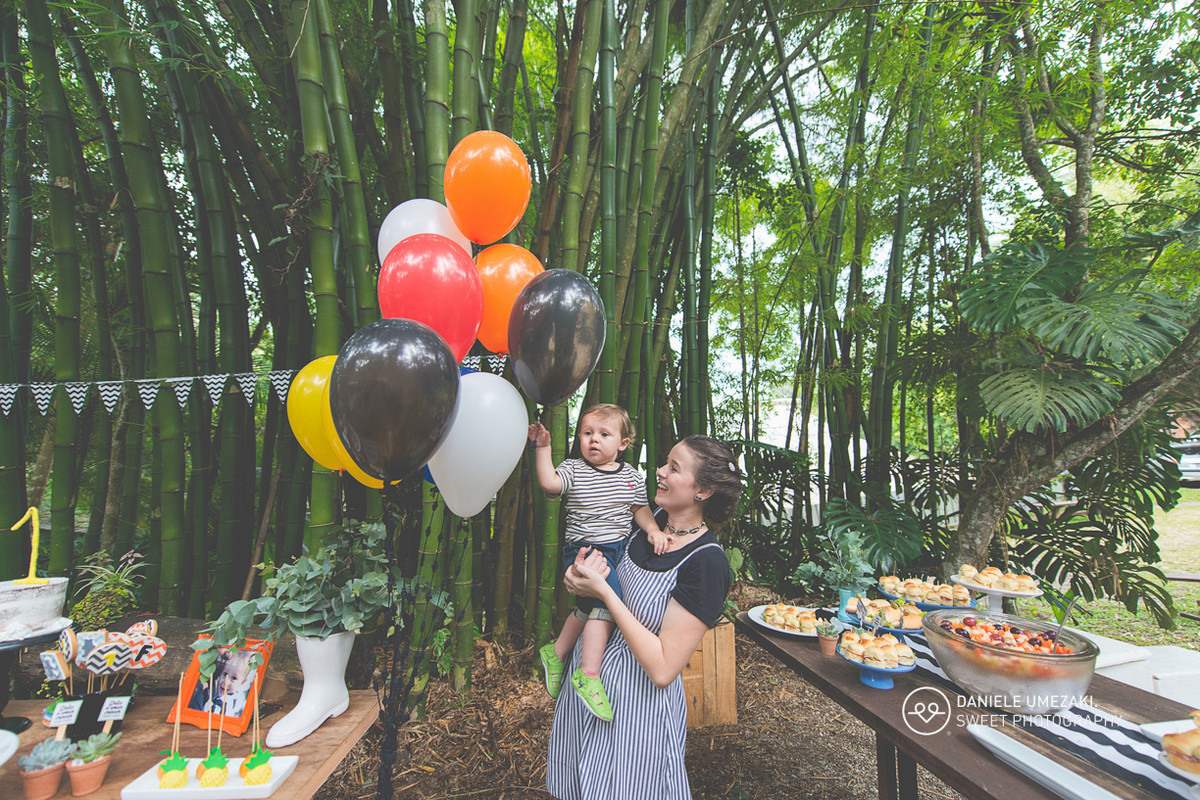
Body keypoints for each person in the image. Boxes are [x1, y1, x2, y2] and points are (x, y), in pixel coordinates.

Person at [546, 435, 742, 800]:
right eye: (665, 463)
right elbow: (601, 559)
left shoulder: (707, 563)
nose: (659, 471)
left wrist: (603, 593)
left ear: (702, 491)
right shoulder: (648, 520)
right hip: (590, 685)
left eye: (673, 468)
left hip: (636, 707)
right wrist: (578, 576)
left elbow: (663, 669)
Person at [529, 404, 669, 722]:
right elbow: (549, 483)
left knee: (587, 607)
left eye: (604, 434)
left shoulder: (631, 476)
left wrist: (653, 530)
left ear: (622, 443)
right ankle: (588, 673)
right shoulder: (574, 469)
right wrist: (543, 448)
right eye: (587, 433)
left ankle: (556, 651)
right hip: (586, 550)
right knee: (608, 604)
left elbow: (639, 509)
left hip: (618, 549)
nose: (594, 439)